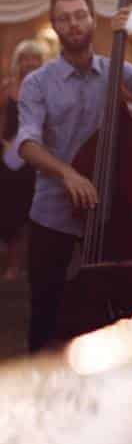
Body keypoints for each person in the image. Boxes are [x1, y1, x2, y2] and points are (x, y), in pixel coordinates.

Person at [16, 0, 132, 352]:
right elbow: (27, 142)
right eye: (64, 18)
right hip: (54, 217)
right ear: (55, 26)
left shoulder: (113, 69)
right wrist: (68, 174)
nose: (73, 24)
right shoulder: (37, 84)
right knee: (47, 317)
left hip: (111, 218)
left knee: (106, 320)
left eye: (79, 15)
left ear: (92, 19)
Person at [0, 39, 46, 280]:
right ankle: (13, 264)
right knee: (10, 215)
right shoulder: (7, 87)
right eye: (25, 58)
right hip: (9, 160)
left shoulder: (47, 88)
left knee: (34, 215)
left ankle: (29, 264)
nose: (30, 62)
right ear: (18, 62)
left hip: (37, 159)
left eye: (35, 58)